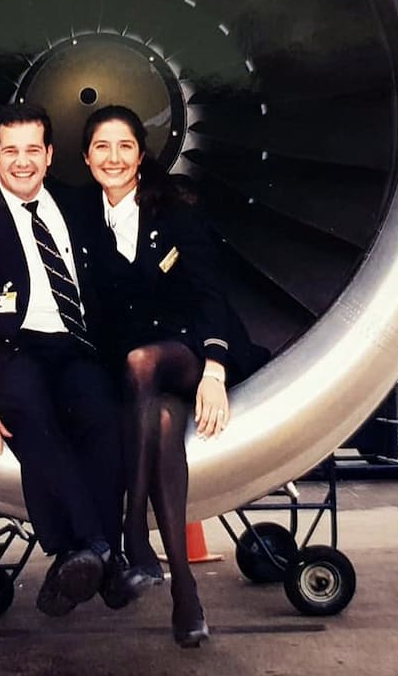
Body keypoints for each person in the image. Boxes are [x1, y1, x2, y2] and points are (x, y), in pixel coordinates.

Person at [76, 105, 267, 647]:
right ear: (87, 159)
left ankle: (133, 532)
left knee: (146, 363)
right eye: (102, 148)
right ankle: (186, 592)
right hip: (136, 379)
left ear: (141, 156)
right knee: (160, 425)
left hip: (185, 354)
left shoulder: (176, 211)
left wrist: (213, 371)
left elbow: (211, 294)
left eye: (125, 147)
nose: (113, 158)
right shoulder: (81, 221)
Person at [0, 103, 130, 616]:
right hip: (13, 347)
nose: (21, 162)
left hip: (76, 346)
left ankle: (78, 557)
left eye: (31, 151)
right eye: (10, 152)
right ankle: (100, 551)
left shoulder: (81, 206)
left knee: (105, 420)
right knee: (29, 417)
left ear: (48, 156)